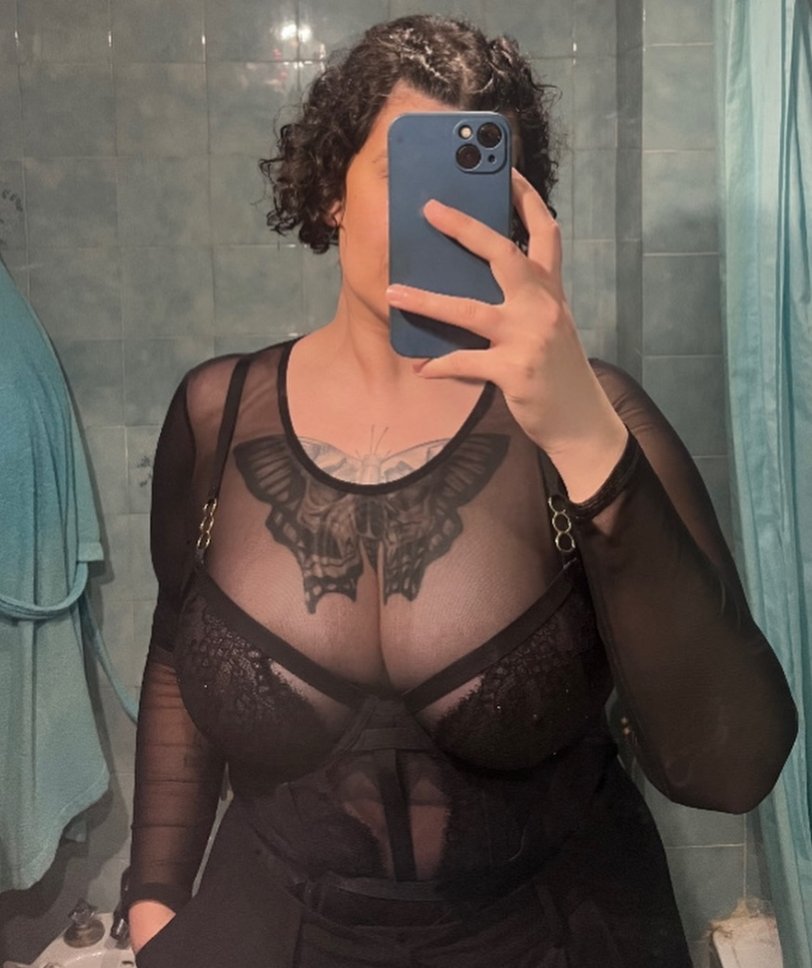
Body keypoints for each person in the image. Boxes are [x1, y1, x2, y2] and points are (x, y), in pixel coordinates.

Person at [125, 15, 797, 967]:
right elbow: (174, 655)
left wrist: (582, 434)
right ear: (332, 193)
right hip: (279, 928)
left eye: (471, 189)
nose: (441, 220)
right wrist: (153, 896)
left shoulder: (595, 415)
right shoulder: (217, 415)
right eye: (409, 178)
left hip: (556, 933)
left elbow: (732, 768)